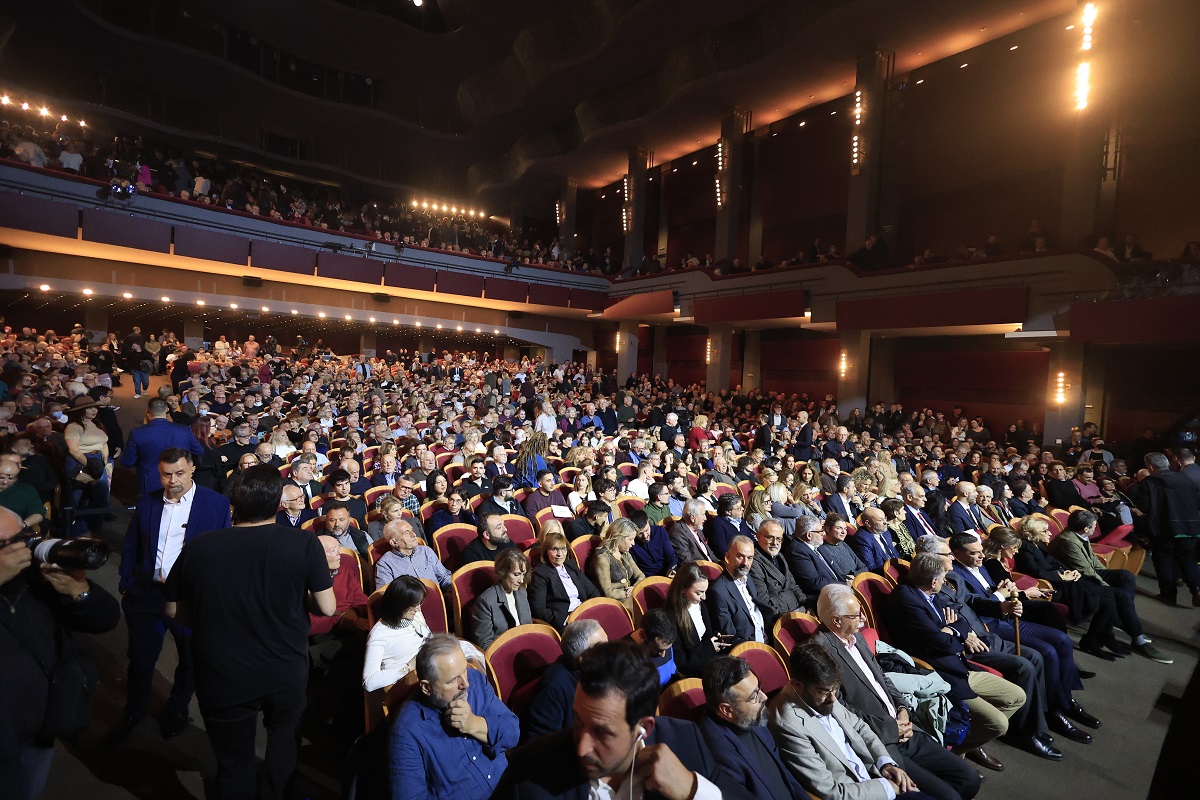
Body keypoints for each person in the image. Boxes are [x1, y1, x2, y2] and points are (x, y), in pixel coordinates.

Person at [164, 465, 336, 800]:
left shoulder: (201, 546)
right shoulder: (304, 544)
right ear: (277, 505)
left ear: (233, 506)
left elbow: (172, 608)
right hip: (283, 667)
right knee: (284, 745)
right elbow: (327, 608)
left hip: (223, 671)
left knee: (233, 762)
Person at [496, 639, 732, 799]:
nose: (581, 748)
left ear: (644, 728)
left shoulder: (686, 742)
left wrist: (692, 791)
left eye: (601, 732)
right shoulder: (528, 773)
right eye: (578, 720)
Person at [109, 448, 232, 744]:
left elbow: (222, 553)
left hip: (189, 599)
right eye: (166, 474)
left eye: (179, 473)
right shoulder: (147, 502)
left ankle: (177, 708)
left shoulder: (216, 504)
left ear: (191, 469)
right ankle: (134, 711)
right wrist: (126, 580)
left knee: (190, 659)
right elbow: (131, 544)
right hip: (146, 594)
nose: (172, 480)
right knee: (140, 659)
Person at [889, 547, 1055, 766]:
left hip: (959, 662)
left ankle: (965, 745)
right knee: (999, 724)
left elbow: (957, 621)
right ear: (934, 582)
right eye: (942, 579)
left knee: (1017, 696)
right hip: (940, 672)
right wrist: (953, 632)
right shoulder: (909, 600)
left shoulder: (930, 593)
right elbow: (942, 641)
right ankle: (956, 756)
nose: (944, 582)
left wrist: (953, 629)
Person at [813, 585, 981, 800]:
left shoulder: (858, 638)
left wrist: (902, 708)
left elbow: (883, 678)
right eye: (856, 615)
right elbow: (839, 709)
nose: (863, 619)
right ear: (836, 620)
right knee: (949, 796)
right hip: (881, 742)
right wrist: (891, 728)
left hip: (907, 728)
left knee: (969, 779)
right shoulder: (820, 652)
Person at [0, 506, 120, 799]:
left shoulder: (40, 578)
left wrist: (79, 590)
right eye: (5, 545)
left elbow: (106, 619)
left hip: (42, 728)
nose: (19, 549)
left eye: (22, 537)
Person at [946, 533, 1097, 742]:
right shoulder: (954, 575)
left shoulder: (980, 565)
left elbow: (998, 593)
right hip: (990, 624)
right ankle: (1053, 710)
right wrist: (1000, 595)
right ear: (957, 554)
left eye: (981, 550)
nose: (982, 556)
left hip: (1005, 616)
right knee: (1046, 652)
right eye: (974, 553)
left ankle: (1066, 699)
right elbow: (972, 606)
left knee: (1061, 640)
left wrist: (1012, 593)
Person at [768, 642, 935, 800]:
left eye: (835, 689)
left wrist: (885, 763)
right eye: (824, 692)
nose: (833, 699)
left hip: (875, 775)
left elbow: (860, 727)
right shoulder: (788, 724)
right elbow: (832, 792)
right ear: (798, 685)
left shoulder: (824, 694)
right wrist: (887, 788)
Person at [390, 634, 519, 800]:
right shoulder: (407, 732)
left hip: (510, 786)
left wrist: (474, 724)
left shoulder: (476, 681)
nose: (465, 683)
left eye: (464, 670)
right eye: (452, 680)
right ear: (426, 688)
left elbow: (513, 733)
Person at [1048, 509, 1169, 663]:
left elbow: (1093, 561)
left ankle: (1120, 618)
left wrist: (1108, 576)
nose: (1095, 528)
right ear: (1086, 529)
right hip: (1077, 579)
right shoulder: (1068, 541)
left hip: (1088, 572)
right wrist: (1106, 586)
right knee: (1120, 595)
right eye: (1093, 526)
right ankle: (1138, 639)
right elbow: (1086, 571)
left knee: (1125, 576)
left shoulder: (1079, 534)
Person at [1012, 516, 1120, 658]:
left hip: (1064, 582)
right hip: (1054, 588)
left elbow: (1053, 561)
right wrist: (1061, 577)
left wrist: (1069, 571)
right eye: (1045, 531)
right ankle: (1092, 640)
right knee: (1106, 600)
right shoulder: (1025, 548)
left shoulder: (1039, 544)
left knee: (1109, 597)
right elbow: (1034, 572)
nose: (1050, 533)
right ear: (1033, 533)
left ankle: (1094, 638)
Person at [521, 618, 607, 743]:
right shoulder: (553, 687)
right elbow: (542, 743)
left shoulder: (601, 669)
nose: (610, 651)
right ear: (583, 658)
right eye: (602, 648)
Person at [1140, 451, 1200, 607]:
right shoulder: (1186, 479)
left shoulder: (1150, 482)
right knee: (1188, 559)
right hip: (1189, 527)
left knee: (1163, 560)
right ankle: (1197, 589)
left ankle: (1169, 595)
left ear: (1151, 466)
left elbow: (1144, 507)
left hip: (1164, 529)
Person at [120, 397, 204, 496]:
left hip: (150, 481)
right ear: (167, 409)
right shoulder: (184, 430)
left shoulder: (137, 433)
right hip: (179, 479)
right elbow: (199, 451)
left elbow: (127, 462)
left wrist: (142, 460)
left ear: (147, 410)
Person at [362, 576, 431, 691]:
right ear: (399, 605)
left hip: (429, 668)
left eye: (419, 603)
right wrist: (409, 667)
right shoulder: (379, 635)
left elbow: (428, 637)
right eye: (414, 605)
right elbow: (369, 681)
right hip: (409, 682)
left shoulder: (413, 616)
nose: (418, 609)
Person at [530, 529, 600, 631]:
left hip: (583, 612)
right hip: (565, 620)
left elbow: (593, 592)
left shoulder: (571, 565)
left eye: (563, 549)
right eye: (555, 549)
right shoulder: (541, 573)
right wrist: (565, 619)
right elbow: (538, 610)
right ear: (546, 551)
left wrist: (593, 609)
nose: (560, 554)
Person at [708, 535, 773, 643]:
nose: (745, 563)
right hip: (745, 648)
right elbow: (729, 636)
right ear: (727, 557)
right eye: (740, 556)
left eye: (749, 558)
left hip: (764, 638)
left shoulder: (748, 578)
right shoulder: (718, 591)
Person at [470, 548, 532, 650]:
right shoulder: (485, 602)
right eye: (516, 574)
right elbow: (485, 645)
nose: (521, 580)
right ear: (503, 572)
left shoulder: (521, 592)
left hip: (525, 647)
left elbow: (528, 626)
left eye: (523, 574)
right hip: (503, 653)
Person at [748, 519, 806, 618]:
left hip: (798, 609)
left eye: (779, 539)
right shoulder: (753, 562)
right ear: (758, 536)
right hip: (780, 618)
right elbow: (766, 605)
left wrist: (805, 603)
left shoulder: (779, 556)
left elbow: (793, 585)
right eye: (770, 538)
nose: (775, 543)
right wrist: (791, 599)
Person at [375, 517, 452, 590]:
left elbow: (444, 577)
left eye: (412, 530)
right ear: (394, 542)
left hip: (436, 600)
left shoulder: (426, 551)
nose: (414, 535)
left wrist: (452, 590)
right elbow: (386, 596)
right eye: (407, 533)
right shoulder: (385, 564)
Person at [589, 517, 646, 603]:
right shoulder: (602, 557)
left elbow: (641, 575)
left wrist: (634, 587)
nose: (633, 543)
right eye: (630, 539)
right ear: (618, 538)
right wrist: (629, 594)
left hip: (629, 595)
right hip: (614, 601)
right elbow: (608, 592)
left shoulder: (624, 552)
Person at [628, 508, 679, 578]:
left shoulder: (660, 532)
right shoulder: (631, 544)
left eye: (646, 530)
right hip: (648, 580)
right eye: (640, 534)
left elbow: (672, 557)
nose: (645, 536)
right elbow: (636, 571)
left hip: (668, 574)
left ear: (648, 522)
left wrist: (671, 569)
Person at [704, 493, 755, 560]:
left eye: (742, 506)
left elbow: (750, 539)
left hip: (748, 556)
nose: (742, 509)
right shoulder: (717, 524)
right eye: (739, 508)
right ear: (728, 512)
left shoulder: (741, 521)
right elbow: (721, 550)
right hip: (732, 560)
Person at [819, 514, 868, 582]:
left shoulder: (843, 544)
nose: (844, 532)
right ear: (827, 529)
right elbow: (841, 576)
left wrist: (854, 575)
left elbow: (863, 567)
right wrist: (856, 575)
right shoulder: (824, 550)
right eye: (838, 528)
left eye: (845, 529)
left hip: (859, 581)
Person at [670, 498, 717, 562]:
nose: (705, 518)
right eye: (703, 514)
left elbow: (708, 552)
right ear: (692, 518)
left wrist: (718, 564)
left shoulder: (697, 527)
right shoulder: (678, 533)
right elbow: (687, 562)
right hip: (699, 569)